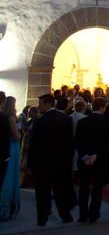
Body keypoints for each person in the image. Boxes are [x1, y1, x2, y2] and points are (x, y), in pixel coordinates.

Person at [28, 94, 76, 226]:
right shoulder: (65, 119)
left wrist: (30, 163)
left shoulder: (40, 121)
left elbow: (34, 145)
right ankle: (65, 215)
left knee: (42, 192)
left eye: (40, 104)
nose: (38, 106)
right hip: (60, 163)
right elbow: (69, 144)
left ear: (48, 104)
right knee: (61, 190)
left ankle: (42, 218)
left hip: (42, 164)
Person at [75, 98, 109, 223]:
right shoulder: (106, 122)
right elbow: (107, 144)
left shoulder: (82, 122)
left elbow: (77, 142)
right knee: (97, 189)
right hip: (99, 160)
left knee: (84, 188)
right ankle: (94, 214)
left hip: (84, 159)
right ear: (102, 107)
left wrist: (85, 156)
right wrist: (96, 155)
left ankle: (83, 214)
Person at [0, 97, 21, 221]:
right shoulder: (11, 117)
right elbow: (16, 136)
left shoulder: (4, 116)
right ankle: (6, 206)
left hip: (7, 146)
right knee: (10, 176)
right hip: (12, 147)